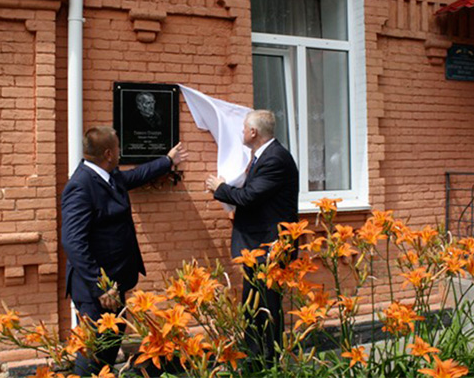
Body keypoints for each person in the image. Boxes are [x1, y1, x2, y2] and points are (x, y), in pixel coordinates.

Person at [61, 126, 187, 376]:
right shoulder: (81, 186)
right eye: (118, 148)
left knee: (109, 347)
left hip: (115, 282)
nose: (120, 152)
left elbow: (136, 176)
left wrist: (168, 160)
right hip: (96, 291)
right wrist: (100, 286)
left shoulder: (109, 175)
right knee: (94, 352)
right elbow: (73, 242)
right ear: (109, 153)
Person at [205, 109, 299, 364]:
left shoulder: (275, 159)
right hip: (257, 246)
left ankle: (269, 361)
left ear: (254, 132)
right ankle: (256, 358)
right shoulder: (263, 156)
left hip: (269, 247)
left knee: (266, 307)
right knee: (253, 305)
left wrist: (220, 188)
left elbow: (249, 197)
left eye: (244, 128)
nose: (242, 132)